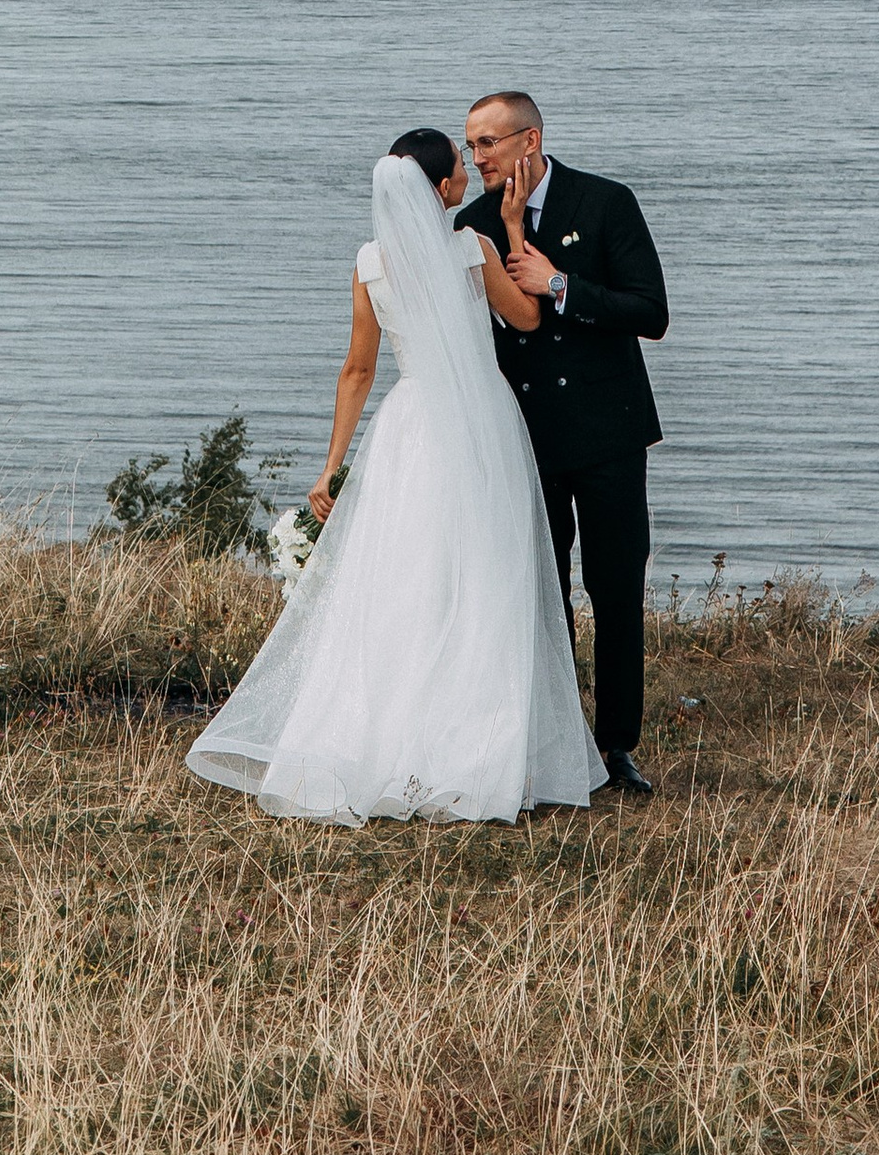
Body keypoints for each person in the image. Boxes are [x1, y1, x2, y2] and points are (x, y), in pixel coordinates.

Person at [184, 130, 605, 825]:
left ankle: (381, 738)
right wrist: (511, 230)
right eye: (459, 167)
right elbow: (528, 317)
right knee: (484, 572)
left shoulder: (370, 264)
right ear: (439, 189)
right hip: (480, 420)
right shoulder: (471, 249)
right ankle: (478, 747)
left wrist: (332, 466)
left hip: (410, 430)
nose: (467, 173)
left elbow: (358, 369)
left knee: (406, 577)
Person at [455, 87, 668, 798]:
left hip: (609, 433)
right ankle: (554, 742)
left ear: (530, 141)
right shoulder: (472, 224)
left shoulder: (606, 202)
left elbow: (651, 312)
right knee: (541, 593)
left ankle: (616, 747)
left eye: (488, 142)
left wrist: (561, 285)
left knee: (616, 588)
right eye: (470, 146)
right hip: (525, 436)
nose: (477, 158)